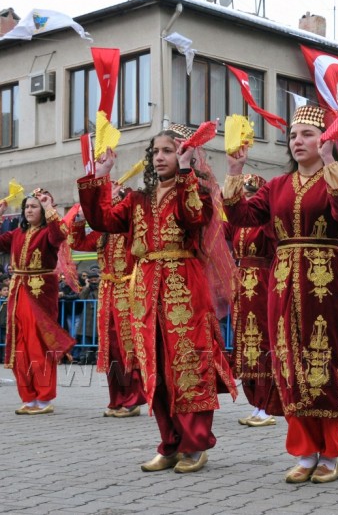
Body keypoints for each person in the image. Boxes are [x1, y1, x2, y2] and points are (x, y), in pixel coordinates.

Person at [78, 127, 237, 474]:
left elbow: (194, 217)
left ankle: (195, 443)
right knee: (155, 367)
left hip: (184, 285)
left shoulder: (195, 190)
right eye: (156, 151)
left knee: (188, 364)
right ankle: (170, 443)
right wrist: (101, 175)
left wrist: (186, 173)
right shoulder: (138, 199)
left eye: (169, 150)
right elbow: (102, 220)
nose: (160, 157)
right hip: (146, 287)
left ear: (184, 154)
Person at [224, 105, 338, 484]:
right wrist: (234, 169)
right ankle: (304, 450)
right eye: (294, 135)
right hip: (282, 279)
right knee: (287, 362)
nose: (298, 141)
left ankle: (330, 452)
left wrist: (331, 162)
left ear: (324, 140)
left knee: (322, 359)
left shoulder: (335, 177)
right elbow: (242, 218)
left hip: (322, 277)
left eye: (307, 134)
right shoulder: (277, 186)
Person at [68, 188, 146, 419]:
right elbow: (77, 242)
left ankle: (133, 399)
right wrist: (80, 218)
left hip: (129, 290)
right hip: (107, 291)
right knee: (111, 348)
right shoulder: (102, 233)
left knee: (127, 347)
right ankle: (117, 398)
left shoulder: (131, 229)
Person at [0, 190, 76, 415]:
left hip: (40, 293)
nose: (29, 210)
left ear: (43, 211)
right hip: (18, 292)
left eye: (34, 206)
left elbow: (59, 234)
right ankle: (29, 397)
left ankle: (44, 398)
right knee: (19, 346)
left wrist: (50, 206)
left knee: (38, 345)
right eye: (27, 207)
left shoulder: (48, 233)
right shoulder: (17, 234)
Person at [224, 174, 280, 428]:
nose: (246, 199)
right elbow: (217, 226)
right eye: (245, 194)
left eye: (250, 194)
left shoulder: (267, 222)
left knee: (263, 340)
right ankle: (257, 403)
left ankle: (268, 404)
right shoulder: (238, 224)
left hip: (263, 283)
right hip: (242, 284)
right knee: (246, 343)